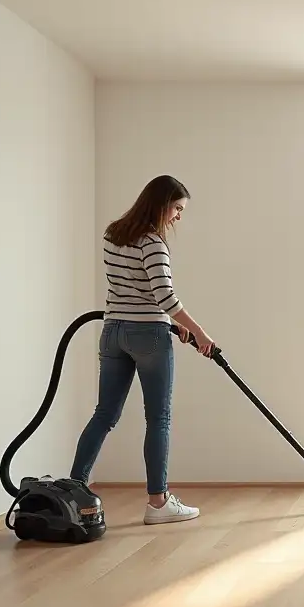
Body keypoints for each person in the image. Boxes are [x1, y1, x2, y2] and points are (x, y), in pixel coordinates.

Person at [69, 175, 216, 524]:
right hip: (147, 336)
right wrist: (202, 334)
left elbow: (133, 290)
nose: (179, 216)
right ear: (161, 204)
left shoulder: (113, 234)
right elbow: (164, 296)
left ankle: (72, 492)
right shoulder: (153, 243)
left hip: (113, 332)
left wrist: (173, 323)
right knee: (158, 418)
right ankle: (158, 503)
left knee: (104, 415)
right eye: (177, 208)